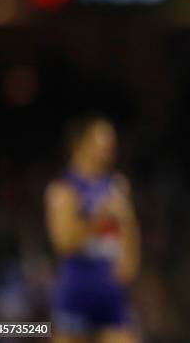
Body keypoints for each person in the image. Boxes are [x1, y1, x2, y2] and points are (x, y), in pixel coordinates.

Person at [45, 115, 140, 343]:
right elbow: (64, 243)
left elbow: (129, 233)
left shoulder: (117, 185)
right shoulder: (64, 189)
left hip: (110, 290)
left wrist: (129, 264)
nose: (109, 147)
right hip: (77, 287)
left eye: (112, 141)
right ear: (81, 144)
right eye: (102, 141)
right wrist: (99, 217)